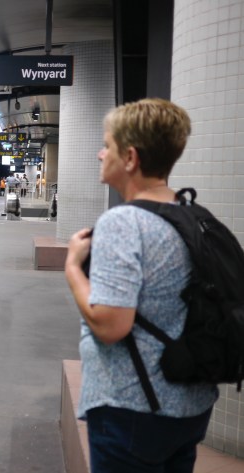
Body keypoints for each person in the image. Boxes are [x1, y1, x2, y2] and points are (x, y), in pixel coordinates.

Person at [64, 98, 218, 473]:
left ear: (130, 158)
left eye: (107, 146)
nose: (101, 155)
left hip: (133, 406)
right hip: (189, 404)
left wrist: (72, 267)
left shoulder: (124, 223)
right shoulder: (192, 216)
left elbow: (110, 324)